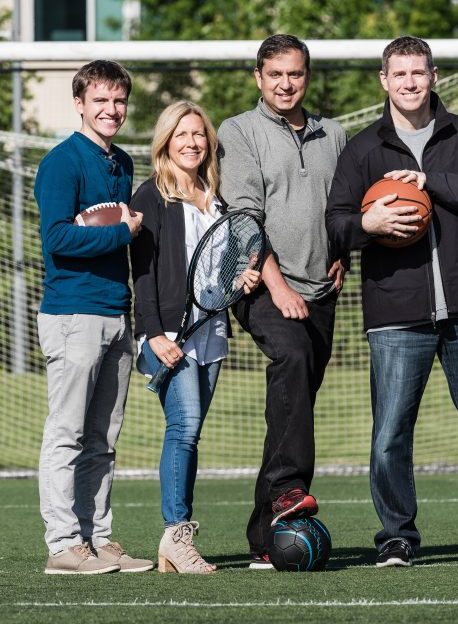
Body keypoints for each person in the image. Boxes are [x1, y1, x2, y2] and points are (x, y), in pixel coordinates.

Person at [325, 36, 458, 568]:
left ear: (434, 76)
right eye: (399, 74)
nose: (409, 83)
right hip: (395, 311)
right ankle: (396, 536)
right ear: (384, 81)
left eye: (418, 72)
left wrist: (433, 183)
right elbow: (337, 223)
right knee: (390, 433)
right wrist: (368, 224)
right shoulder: (363, 149)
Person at [217, 34, 347, 570]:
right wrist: (277, 285)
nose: (285, 84)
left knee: (295, 405)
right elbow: (244, 216)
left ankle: (262, 537)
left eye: (294, 74)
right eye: (275, 75)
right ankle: (291, 491)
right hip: (259, 284)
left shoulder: (333, 133)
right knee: (290, 357)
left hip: (320, 290)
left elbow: (343, 204)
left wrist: (343, 254)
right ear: (258, 77)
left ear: (307, 76)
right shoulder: (238, 132)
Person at [130, 101, 261, 573]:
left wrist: (242, 278)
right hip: (168, 334)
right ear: (166, 141)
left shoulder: (217, 198)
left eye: (199, 134)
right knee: (182, 428)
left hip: (211, 333)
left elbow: (220, 268)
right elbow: (141, 274)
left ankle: (173, 541)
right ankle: (177, 534)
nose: (191, 142)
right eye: (181, 134)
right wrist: (151, 334)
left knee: (192, 432)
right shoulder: (151, 196)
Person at [35, 60, 152, 574]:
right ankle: (62, 543)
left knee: (103, 439)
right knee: (66, 433)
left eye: (119, 100)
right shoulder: (61, 162)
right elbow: (57, 237)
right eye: (100, 100)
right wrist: (119, 234)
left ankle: (97, 538)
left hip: (115, 313)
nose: (111, 110)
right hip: (72, 314)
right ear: (80, 104)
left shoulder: (123, 163)